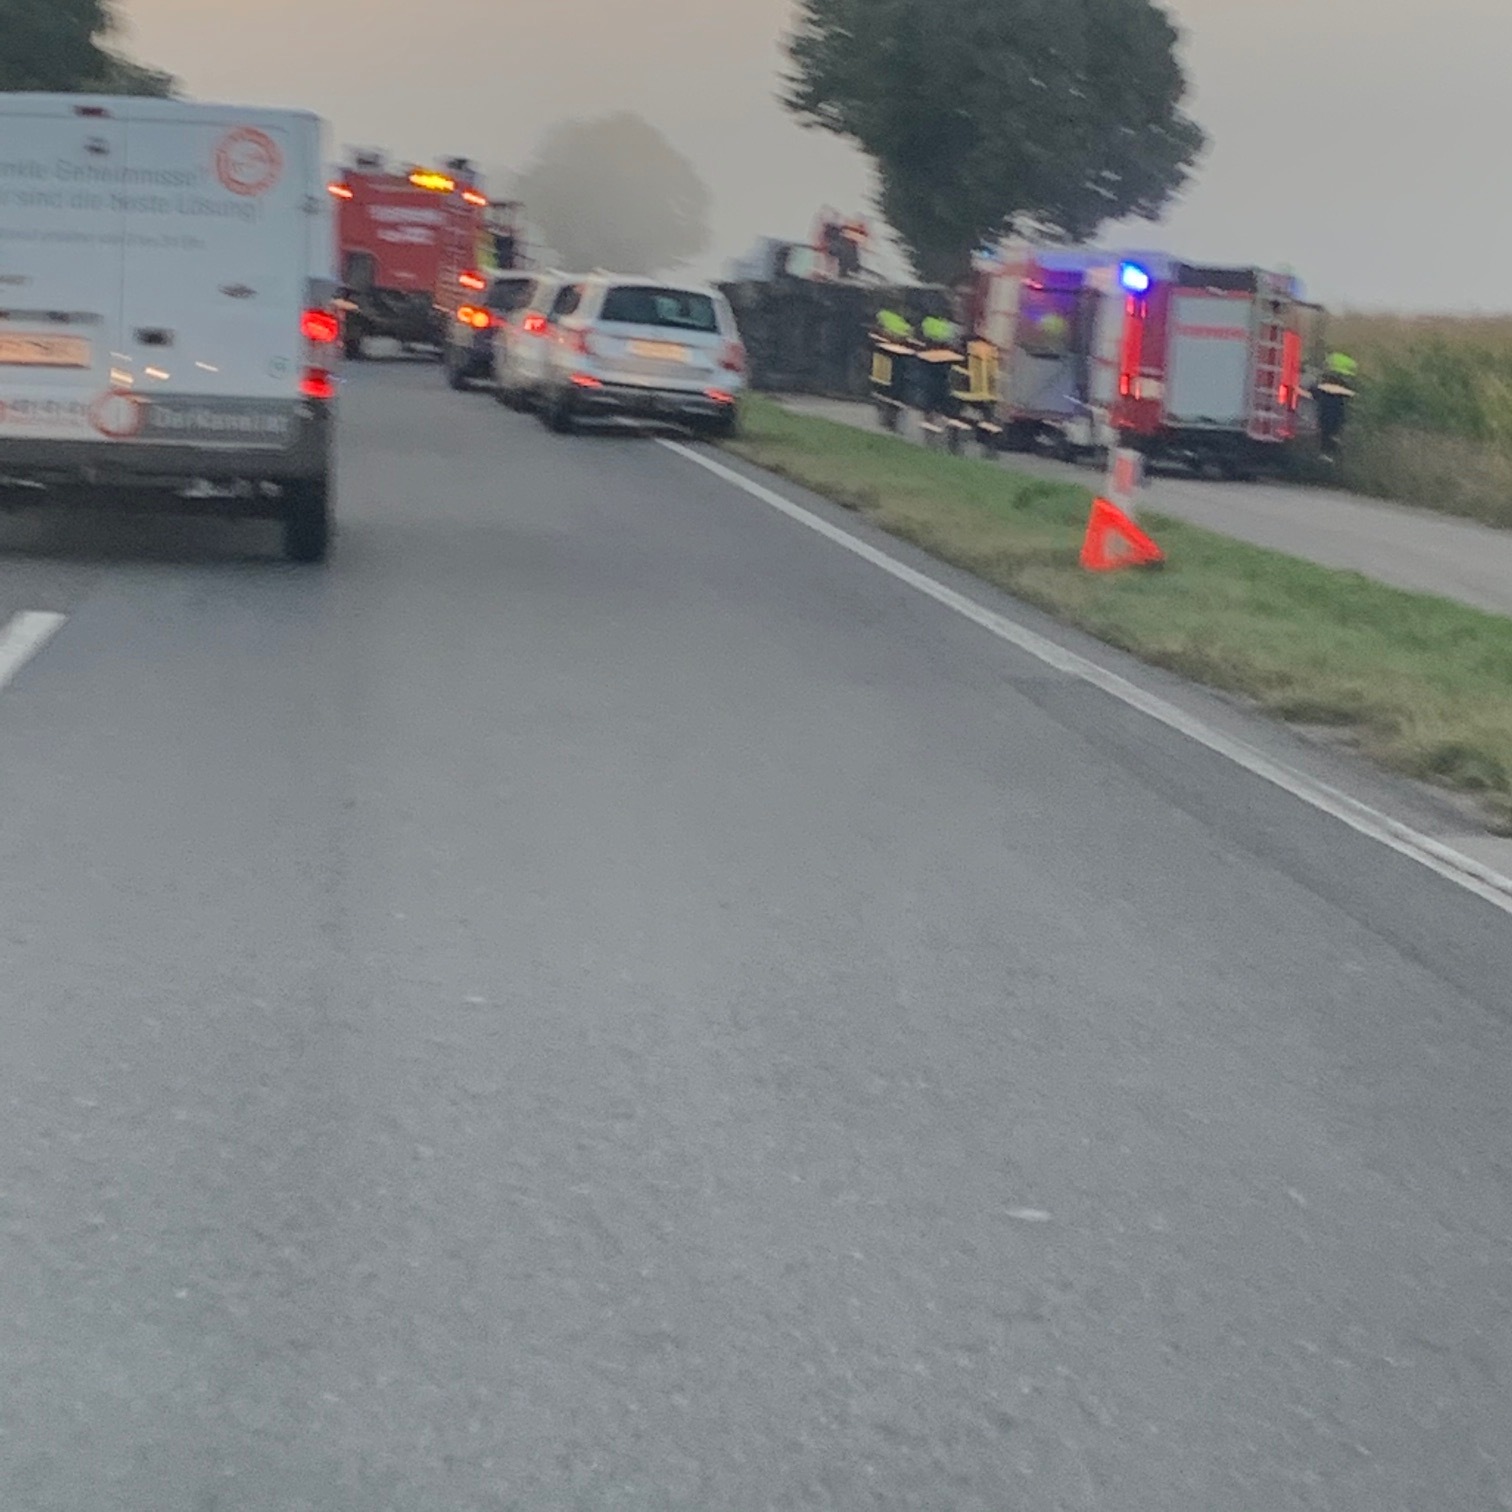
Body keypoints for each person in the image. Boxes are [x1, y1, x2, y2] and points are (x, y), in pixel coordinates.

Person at [1310, 352, 1358, 462]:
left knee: (1327, 429)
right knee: (1333, 428)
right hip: (1337, 410)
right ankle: (1331, 449)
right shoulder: (1350, 364)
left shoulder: (1333, 359)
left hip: (1328, 410)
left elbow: (1316, 392)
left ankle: (1326, 453)